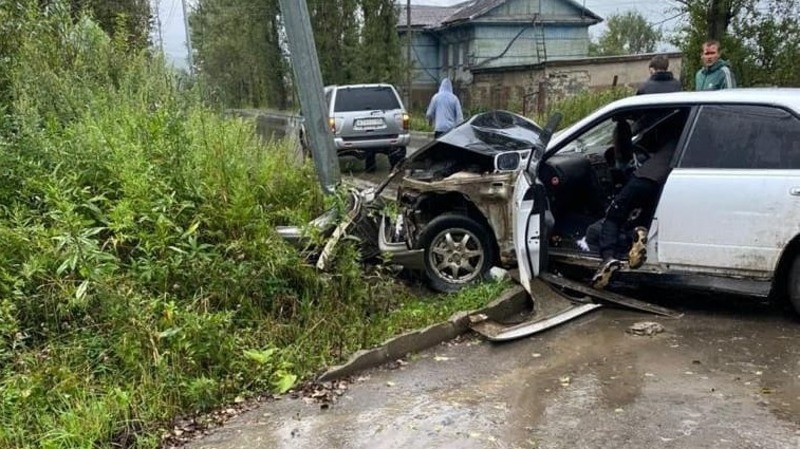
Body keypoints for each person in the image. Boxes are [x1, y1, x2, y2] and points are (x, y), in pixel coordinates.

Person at [591, 124, 680, 289]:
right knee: (645, 217)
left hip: (643, 179)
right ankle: (636, 234)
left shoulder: (660, 134)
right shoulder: (682, 136)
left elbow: (623, 146)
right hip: (663, 182)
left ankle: (608, 258)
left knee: (612, 218)